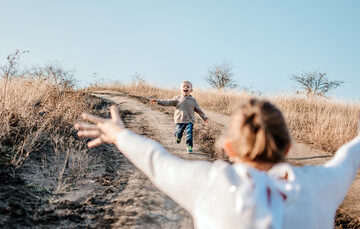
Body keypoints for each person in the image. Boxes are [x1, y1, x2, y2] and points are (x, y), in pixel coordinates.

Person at [75, 99, 360, 229]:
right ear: (287, 147)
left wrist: (119, 134)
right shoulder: (321, 186)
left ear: (229, 147)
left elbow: (156, 161)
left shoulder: (211, 183)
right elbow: (349, 156)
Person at [150, 80, 209, 153]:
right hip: (179, 121)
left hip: (189, 121)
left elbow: (198, 110)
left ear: (191, 90)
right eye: (184, 86)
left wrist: (204, 117)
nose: (186, 88)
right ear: (181, 89)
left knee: (189, 134)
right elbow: (168, 102)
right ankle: (178, 137)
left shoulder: (193, 100)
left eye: (188, 86)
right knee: (178, 132)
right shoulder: (177, 99)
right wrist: (158, 101)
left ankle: (189, 146)